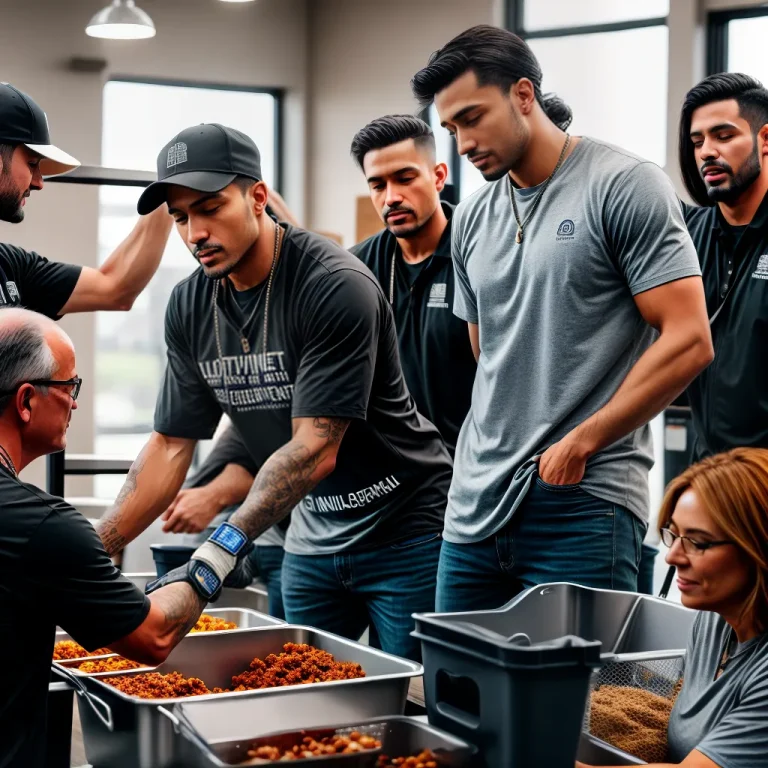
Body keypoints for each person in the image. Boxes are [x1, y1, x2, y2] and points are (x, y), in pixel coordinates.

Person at [95, 123, 453, 661]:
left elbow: (314, 449)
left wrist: (214, 557)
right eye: (181, 217)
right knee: (300, 687)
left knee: (414, 691)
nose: (195, 233)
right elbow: (170, 445)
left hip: (405, 529)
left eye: (211, 208)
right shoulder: (190, 306)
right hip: (312, 536)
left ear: (258, 197)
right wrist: (94, 549)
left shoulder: (334, 284)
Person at [410, 25, 714, 612]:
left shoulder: (624, 185)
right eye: (450, 129)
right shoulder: (470, 219)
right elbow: (489, 353)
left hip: (582, 499)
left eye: (472, 118)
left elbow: (689, 339)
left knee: (582, 678)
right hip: (473, 507)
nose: (463, 143)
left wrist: (581, 441)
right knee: (454, 671)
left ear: (524, 95)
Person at [0, 308, 252, 768]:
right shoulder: (41, 525)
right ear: (26, 401)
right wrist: (216, 558)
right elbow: (154, 637)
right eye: (69, 387)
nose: (75, 403)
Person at [578, 448, 768, 768]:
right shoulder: (713, 620)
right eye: (674, 534)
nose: (672, 556)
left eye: (697, 542)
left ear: (758, 547)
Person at [349, 114, 476, 456]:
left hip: (473, 465)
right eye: (378, 186)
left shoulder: (479, 254)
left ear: (438, 177)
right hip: (393, 469)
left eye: (405, 179)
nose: (391, 197)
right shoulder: (355, 271)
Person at [0, 82, 172, 317]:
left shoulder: (9, 266)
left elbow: (114, 288)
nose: (39, 183)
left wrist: (166, 192)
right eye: (31, 164)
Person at [678, 73, 768, 460]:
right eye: (697, 141)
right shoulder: (683, 237)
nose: (706, 152)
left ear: (765, 140)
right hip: (707, 473)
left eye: (724, 136)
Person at [162, 421, 287, 619]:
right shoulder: (241, 426)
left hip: (278, 543)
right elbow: (244, 464)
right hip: (223, 537)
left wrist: (212, 497)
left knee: (282, 629)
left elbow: (259, 471)